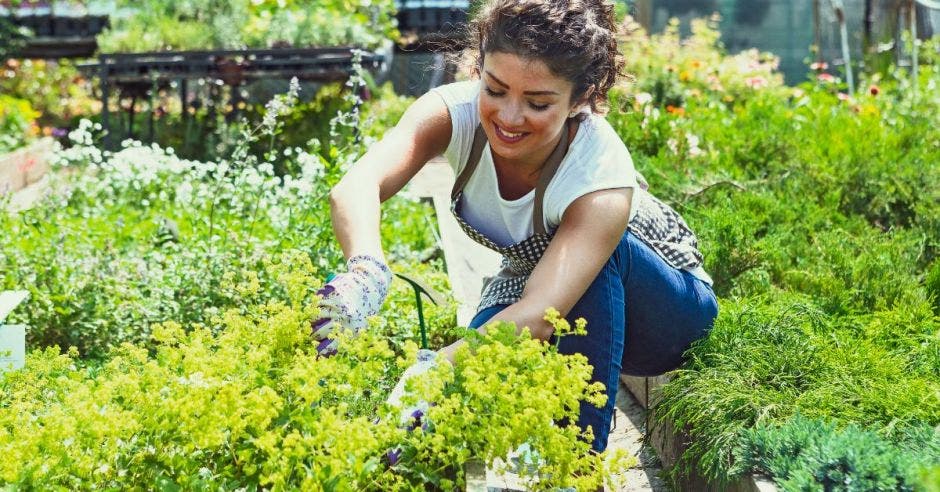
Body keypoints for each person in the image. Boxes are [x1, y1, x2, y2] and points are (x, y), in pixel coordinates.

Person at [312, 0, 718, 454]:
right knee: (479, 376)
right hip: (537, 285)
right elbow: (356, 186)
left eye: (538, 102)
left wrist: (434, 370)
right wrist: (366, 269)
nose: (508, 116)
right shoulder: (454, 114)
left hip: (667, 314)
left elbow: (541, 312)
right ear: (479, 66)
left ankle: (574, 468)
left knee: (581, 279)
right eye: (496, 88)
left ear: (580, 100)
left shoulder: (598, 173)